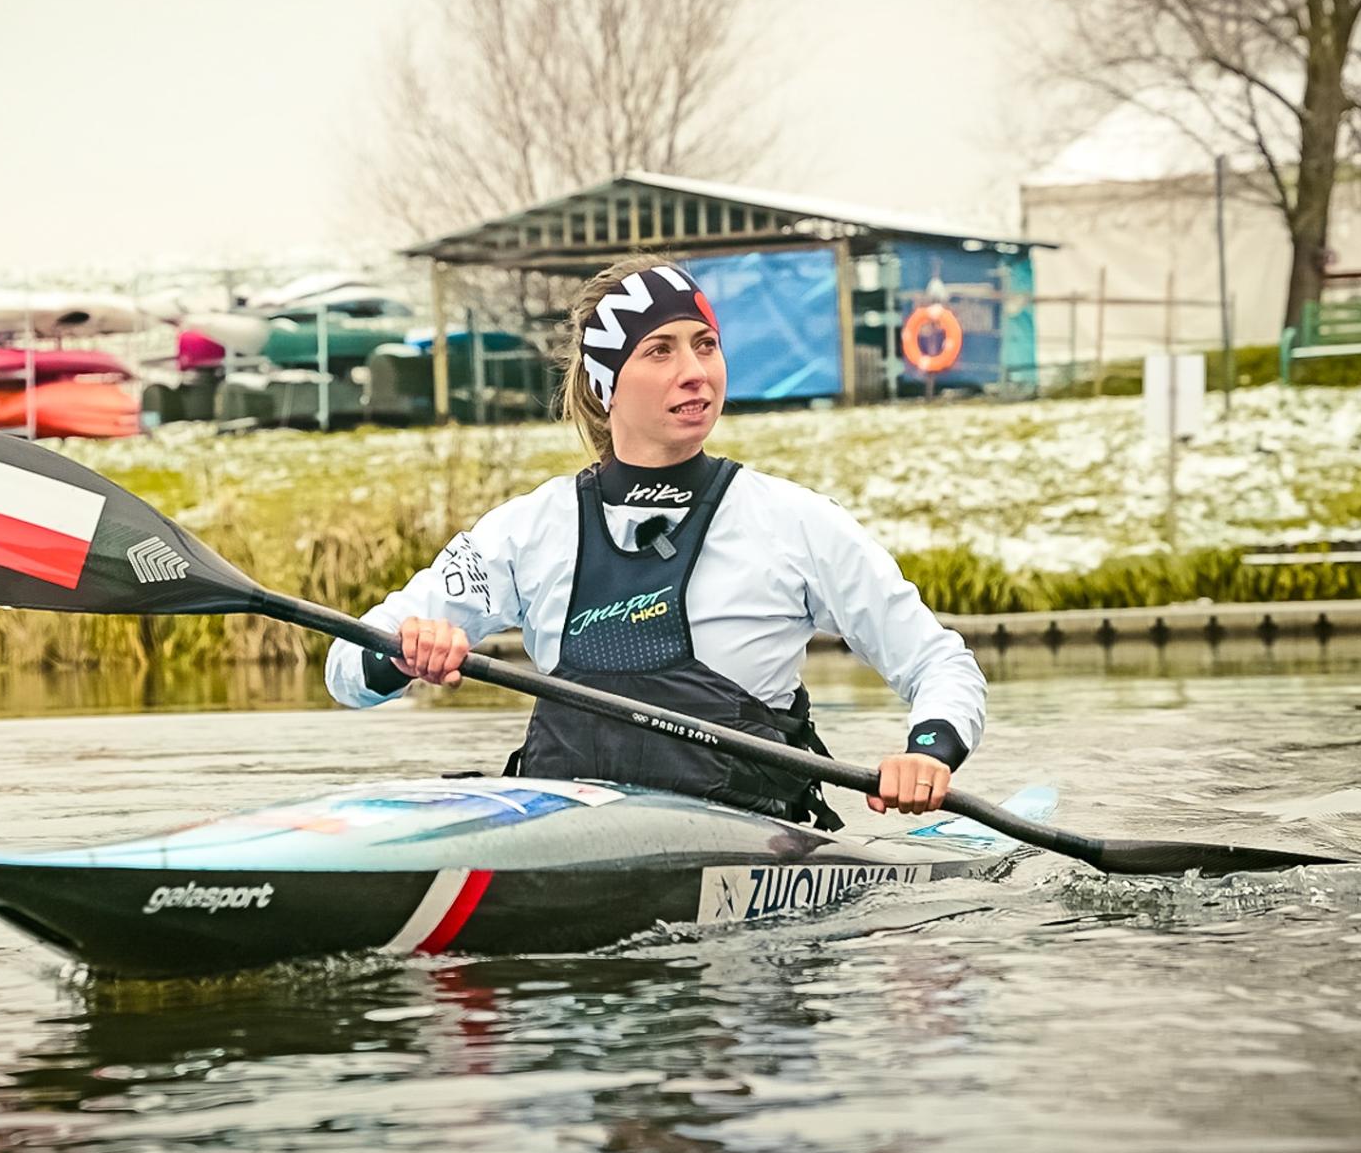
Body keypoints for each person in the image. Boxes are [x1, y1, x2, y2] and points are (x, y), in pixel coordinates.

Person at [325, 253, 985, 827]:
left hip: (743, 860)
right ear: (605, 383)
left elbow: (938, 666)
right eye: (659, 350)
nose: (695, 370)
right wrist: (405, 653)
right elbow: (345, 671)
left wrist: (928, 751)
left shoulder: (795, 522)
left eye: (704, 344)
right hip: (568, 837)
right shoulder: (525, 531)